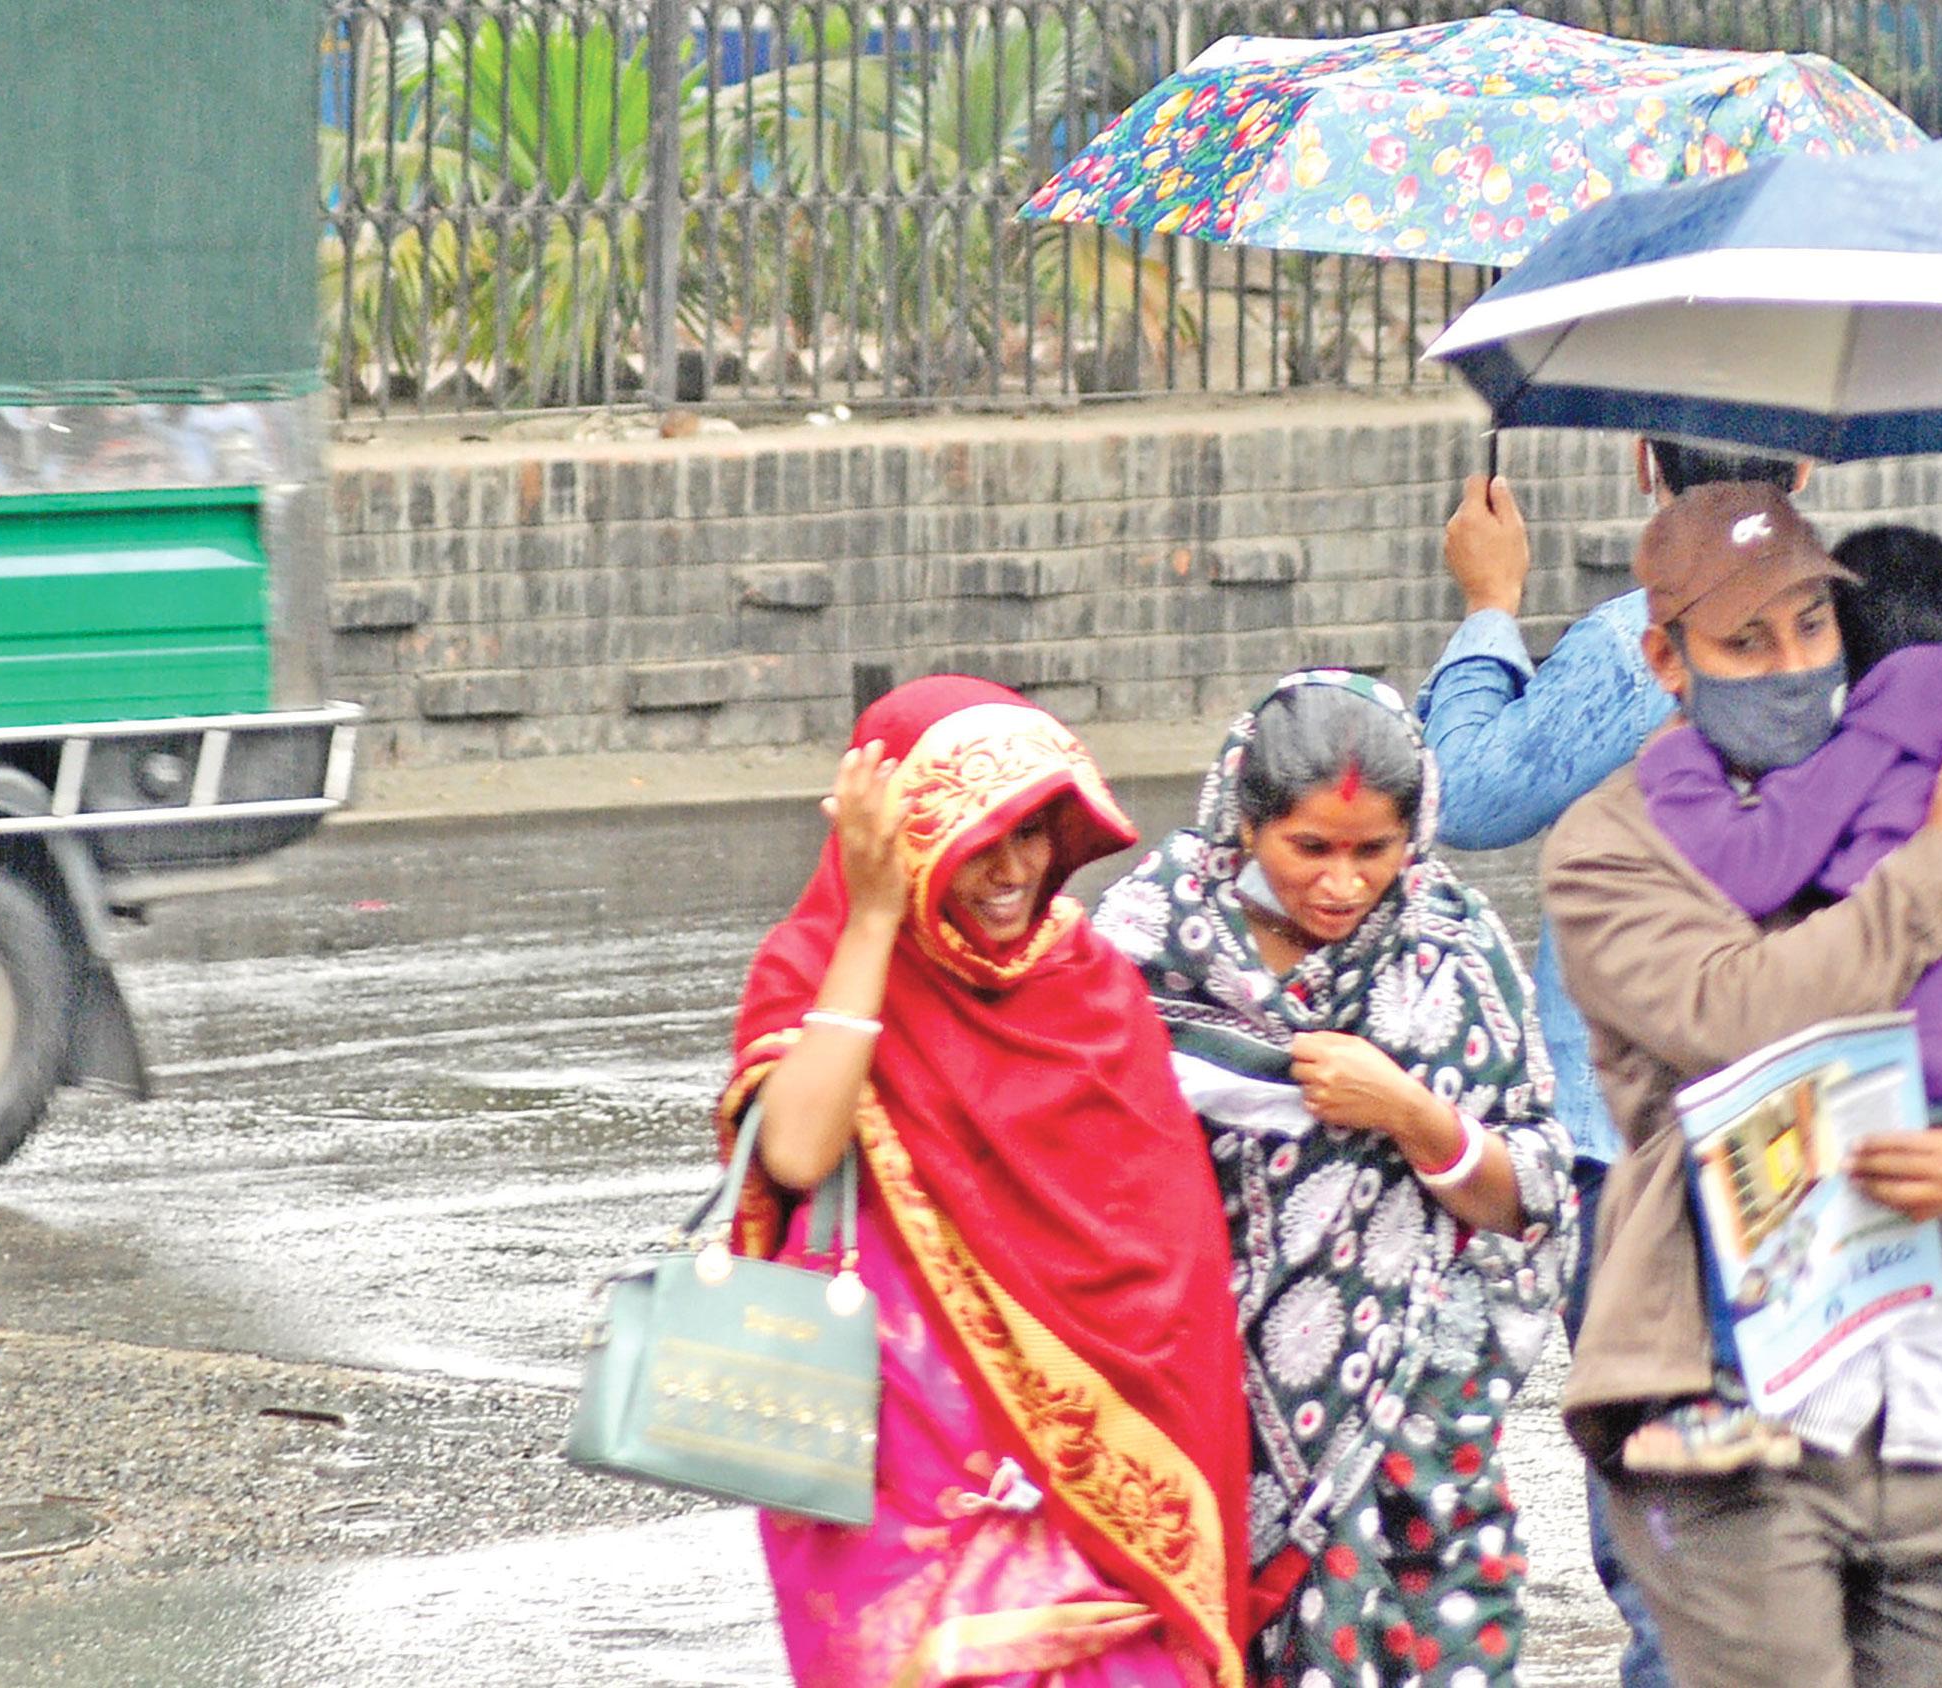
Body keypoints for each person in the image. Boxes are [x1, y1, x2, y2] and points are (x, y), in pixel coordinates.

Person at [1543, 484, 1942, 1688]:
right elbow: (1732, 1014)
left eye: (1813, 627)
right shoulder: (1611, 840)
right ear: (1668, 657)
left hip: (1939, 1388)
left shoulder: (1927, 781)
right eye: (1746, 641)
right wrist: (1939, 867)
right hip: (1725, 1405)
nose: (1792, 665)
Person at [720, 676, 1252, 1688]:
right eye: (975, 844)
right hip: (897, 1461)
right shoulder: (819, 964)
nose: (1009, 872)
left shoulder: (1091, 988)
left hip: (1100, 1482)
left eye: (1033, 834)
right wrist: (872, 922)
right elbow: (793, 1150)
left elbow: (1168, 1269)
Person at [1414, 435, 1808, 1688]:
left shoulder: (1647, 639)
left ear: (1643, 461)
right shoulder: (1870, 633)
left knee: (1666, 1537)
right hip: (1824, 1132)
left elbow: (1466, 794)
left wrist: (1489, 604)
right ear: (1802, 461)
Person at [1093, 670, 1578, 1688]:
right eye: (1309, 846)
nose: (1344, 882)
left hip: (1415, 1430)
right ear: (1243, 819)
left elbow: (1532, 1189)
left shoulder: (1451, 948)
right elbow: (1073, 1172)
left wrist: (1411, 1112)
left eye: (1376, 849)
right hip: (1200, 1414)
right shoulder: (1145, 948)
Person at [1627, 523, 1942, 1503]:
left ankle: (1728, 1378)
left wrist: (1680, 767)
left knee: (1727, 1150)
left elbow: (1765, 861)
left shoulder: (1865, 743)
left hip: (1919, 1056)